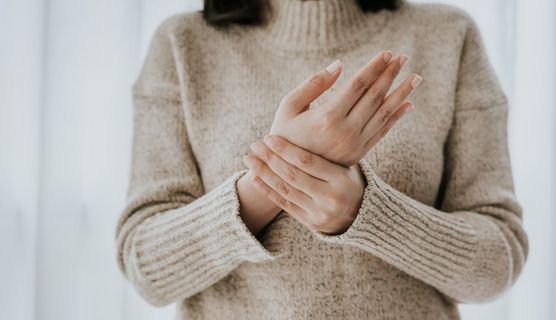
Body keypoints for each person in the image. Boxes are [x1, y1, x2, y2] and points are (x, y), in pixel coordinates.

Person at [115, 0, 529, 319]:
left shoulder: (449, 36)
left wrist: (364, 212)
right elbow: (147, 267)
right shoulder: (182, 43)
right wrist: (273, 182)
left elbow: (497, 265)